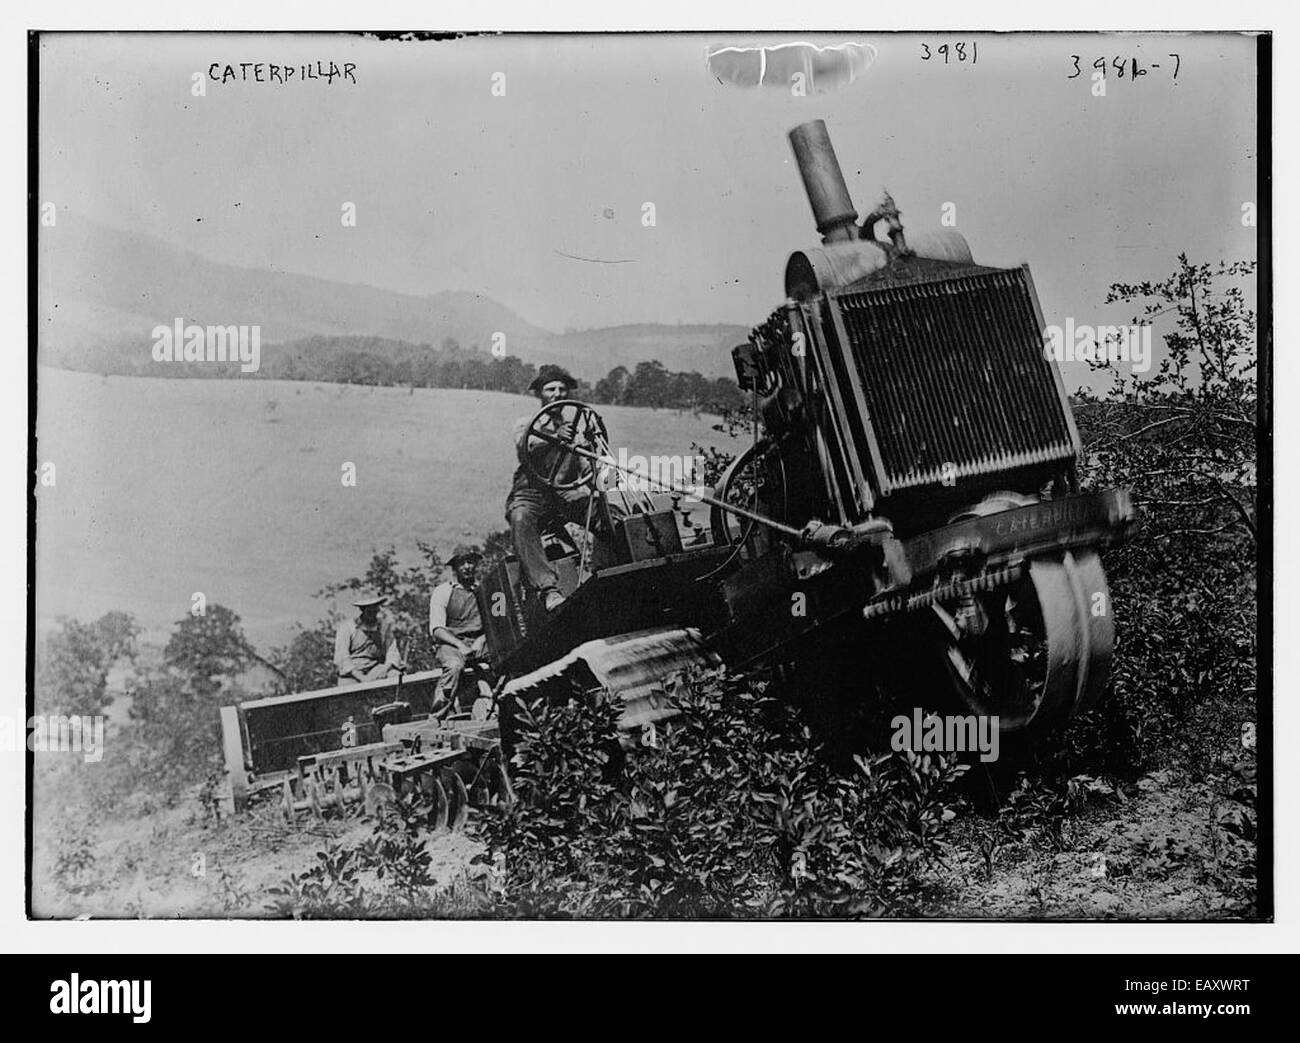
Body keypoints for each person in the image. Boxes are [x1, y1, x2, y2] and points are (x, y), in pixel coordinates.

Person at [505, 364, 620, 612]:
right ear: (539, 394)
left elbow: (589, 473)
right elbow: (528, 444)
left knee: (610, 515)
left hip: (563, 495)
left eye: (561, 389)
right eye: (550, 389)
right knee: (520, 518)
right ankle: (548, 590)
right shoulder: (525, 424)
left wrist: (603, 475)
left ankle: (610, 575)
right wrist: (557, 435)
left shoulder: (577, 432)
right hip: (530, 493)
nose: (557, 394)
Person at [428, 545, 486, 712]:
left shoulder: (482, 590)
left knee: (507, 655)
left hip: (479, 644)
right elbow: (437, 629)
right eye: (462, 563)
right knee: (454, 665)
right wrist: (461, 646)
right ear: (455, 567)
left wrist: (481, 640)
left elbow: (495, 621)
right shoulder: (443, 591)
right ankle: (438, 715)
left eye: (471, 562)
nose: (467, 567)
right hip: (452, 645)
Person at [333, 591, 404, 685]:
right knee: (349, 690)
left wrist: (385, 668)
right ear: (363, 610)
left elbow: (392, 652)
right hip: (352, 673)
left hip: (375, 669)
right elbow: (342, 658)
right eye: (369, 611)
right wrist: (362, 678)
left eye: (375, 610)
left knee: (395, 675)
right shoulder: (347, 628)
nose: (372, 614)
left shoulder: (384, 628)